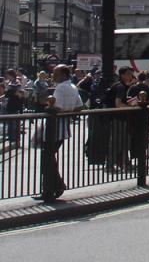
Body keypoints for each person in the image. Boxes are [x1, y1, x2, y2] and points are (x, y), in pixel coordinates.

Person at [45, 64, 83, 199]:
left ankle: (54, 186)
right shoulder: (73, 86)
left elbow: (57, 107)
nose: (53, 76)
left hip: (54, 126)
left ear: (64, 75)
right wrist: (69, 113)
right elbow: (79, 106)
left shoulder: (61, 87)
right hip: (64, 126)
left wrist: (49, 108)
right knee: (49, 156)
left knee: (47, 157)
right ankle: (55, 185)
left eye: (56, 74)